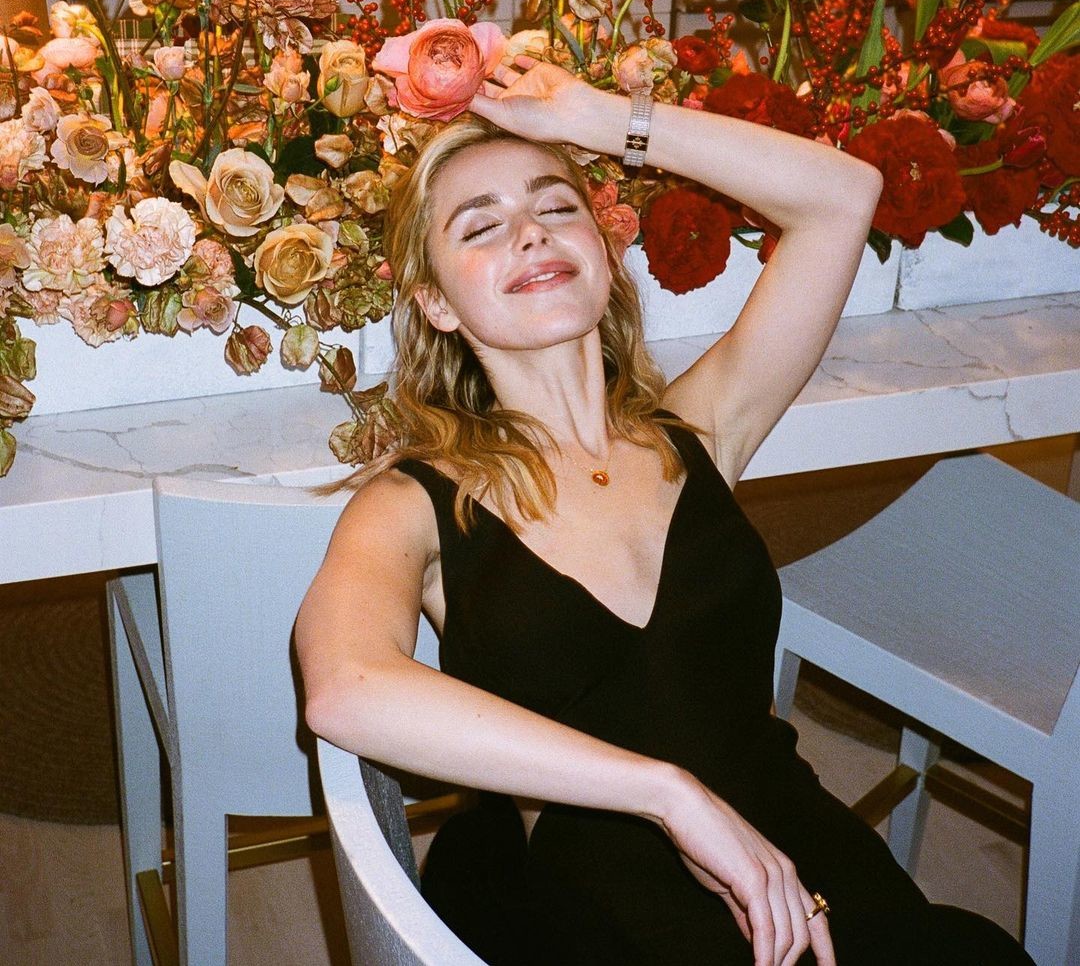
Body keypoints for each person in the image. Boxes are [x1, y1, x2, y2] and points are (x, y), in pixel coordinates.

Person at [295, 55, 1034, 965]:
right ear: (437, 305)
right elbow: (345, 689)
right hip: (588, 888)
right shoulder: (410, 504)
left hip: (793, 836)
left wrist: (597, 119)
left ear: (606, 257)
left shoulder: (702, 431)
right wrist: (666, 794)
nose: (530, 234)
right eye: (482, 226)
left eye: (556, 208)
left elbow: (845, 195)